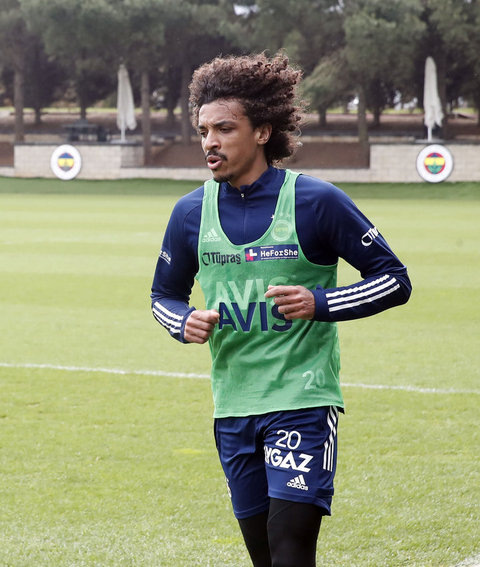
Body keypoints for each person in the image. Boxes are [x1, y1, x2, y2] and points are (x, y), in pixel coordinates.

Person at [150, 53, 411, 567]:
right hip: (233, 407)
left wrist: (320, 302)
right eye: (203, 130)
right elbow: (163, 296)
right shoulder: (190, 212)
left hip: (303, 399)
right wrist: (183, 321)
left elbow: (394, 280)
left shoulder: (316, 201)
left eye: (225, 128)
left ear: (264, 131)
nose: (209, 142)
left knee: (290, 546)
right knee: (265, 555)